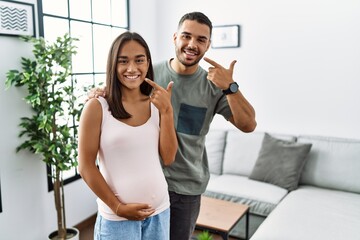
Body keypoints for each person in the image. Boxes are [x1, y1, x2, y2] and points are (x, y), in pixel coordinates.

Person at [89, 12, 256, 240]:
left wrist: (230, 87)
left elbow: (248, 125)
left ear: (208, 45)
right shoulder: (148, 74)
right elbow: (119, 89)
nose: (191, 44)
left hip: (184, 190)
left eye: (201, 39)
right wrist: (100, 91)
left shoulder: (214, 86)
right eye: (186, 36)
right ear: (175, 37)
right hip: (146, 185)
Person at [78, 31, 178, 240]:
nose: (132, 68)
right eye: (123, 61)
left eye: (139, 60)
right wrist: (117, 207)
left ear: (148, 63)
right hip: (117, 221)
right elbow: (85, 166)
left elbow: (168, 158)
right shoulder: (97, 107)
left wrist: (167, 112)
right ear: (113, 65)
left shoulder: (157, 105)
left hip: (159, 212)